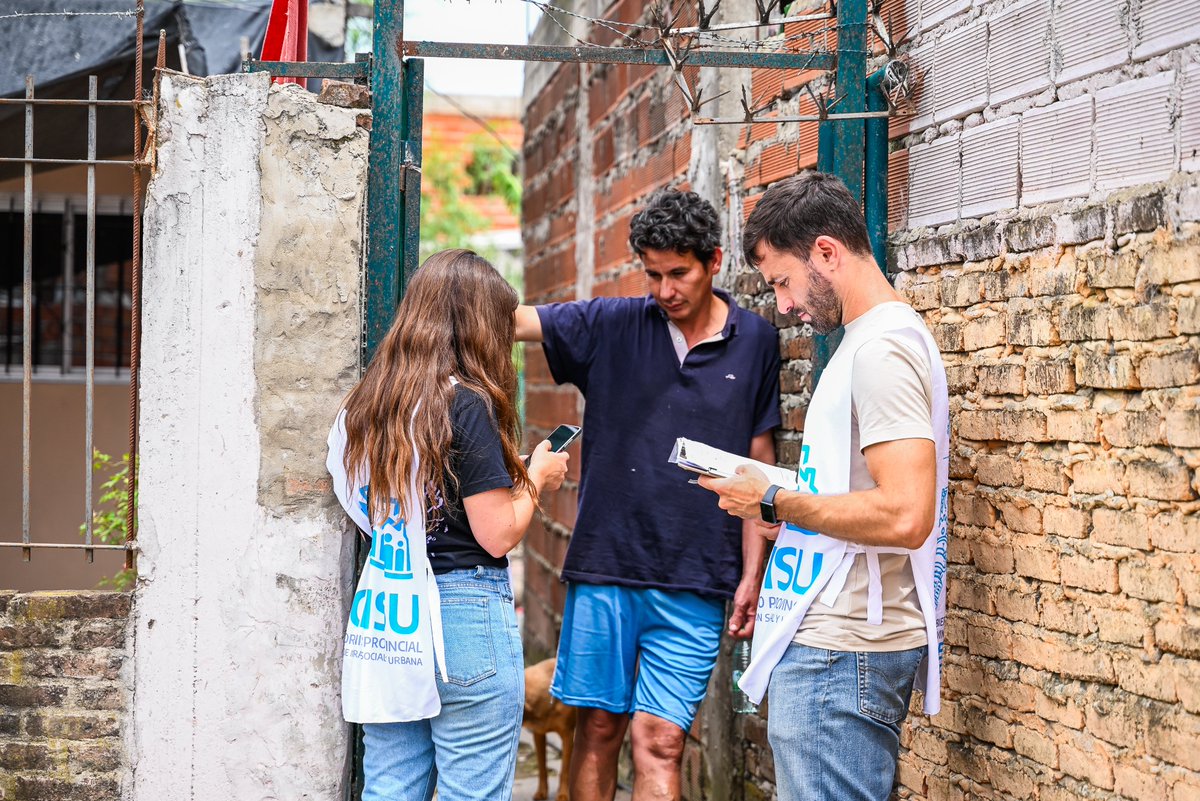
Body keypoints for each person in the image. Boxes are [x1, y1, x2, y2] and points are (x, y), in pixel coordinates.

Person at [515, 189, 782, 801]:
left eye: (679, 273)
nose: (665, 290)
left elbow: (757, 465)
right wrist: (447, 298)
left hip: (697, 575)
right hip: (607, 567)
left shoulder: (757, 341)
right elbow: (515, 321)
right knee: (599, 729)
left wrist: (751, 573)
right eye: (653, 274)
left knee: (660, 741)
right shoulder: (612, 325)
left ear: (715, 261)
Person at [697, 172, 950, 801]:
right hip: (840, 647)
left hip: (843, 654)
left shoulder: (880, 351)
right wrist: (796, 508)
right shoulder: (870, 343)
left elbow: (905, 514)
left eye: (782, 280)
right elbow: (868, 495)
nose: (782, 305)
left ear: (827, 253)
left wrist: (776, 499)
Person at [327, 249, 569, 801]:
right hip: (464, 619)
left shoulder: (370, 406)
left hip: (389, 616)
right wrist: (536, 476)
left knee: (391, 788)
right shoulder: (465, 404)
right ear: (478, 325)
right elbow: (497, 533)